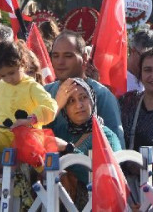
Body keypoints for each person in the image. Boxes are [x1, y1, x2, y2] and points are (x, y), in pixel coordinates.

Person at [0, 41, 57, 179]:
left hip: (27, 138)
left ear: (22, 63)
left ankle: (45, 173)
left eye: (12, 72)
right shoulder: (1, 86)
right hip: (3, 136)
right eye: (3, 75)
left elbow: (50, 106)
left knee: (27, 142)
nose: (9, 79)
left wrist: (30, 119)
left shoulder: (32, 87)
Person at [45, 31, 125, 145]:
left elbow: (117, 150)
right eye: (55, 56)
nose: (60, 62)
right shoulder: (45, 93)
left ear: (84, 57)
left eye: (68, 56)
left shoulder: (102, 95)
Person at [52, 78, 122, 207]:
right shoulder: (60, 131)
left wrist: (68, 149)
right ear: (64, 108)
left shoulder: (106, 136)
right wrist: (55, 106)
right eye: (71, 101)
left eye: (83, 97)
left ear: (92, 100)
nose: (79, 105)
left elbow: (107, 179)